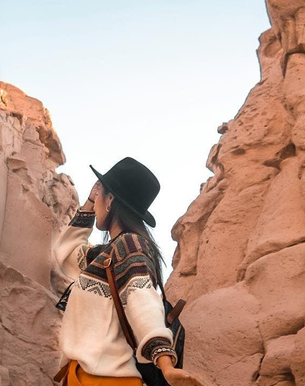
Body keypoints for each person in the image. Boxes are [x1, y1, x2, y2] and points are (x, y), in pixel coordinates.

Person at [52, 157, 204, 386]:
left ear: (110, 199)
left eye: (100, 194)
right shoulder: (107, 255)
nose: (95, 203)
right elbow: (66, 252)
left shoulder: (130, 246)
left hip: (107, 381)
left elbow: (142, 301)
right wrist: (89, 202)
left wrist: (166, 365)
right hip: (83, 378)